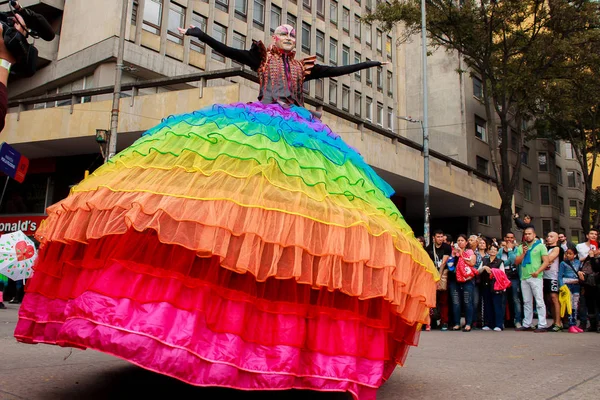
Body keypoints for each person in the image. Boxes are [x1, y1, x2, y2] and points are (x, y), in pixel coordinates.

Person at [13, 23, 437, 399]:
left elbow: (337, 73)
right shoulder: (259, 55)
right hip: (254, 127)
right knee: (229, 215)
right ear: (274, 40)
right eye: (283, 35)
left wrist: (367, 65)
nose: (287, 39)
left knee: (286, 225)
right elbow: (227, 50)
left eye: (292, 36)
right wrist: (197, 35)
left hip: (301, 137)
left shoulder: (305, 68)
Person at [514, 227, 550, 332]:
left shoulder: (540, 246)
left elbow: (546, 261)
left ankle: (542, 324)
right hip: (524, 277)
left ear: (534, 235)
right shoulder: (521, 247)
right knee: (527, 301)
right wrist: (524, 253)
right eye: (526, 234)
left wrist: (538, 271)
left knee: (539, 301)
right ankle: (527, 323)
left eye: (529, 234)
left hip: (536, 277)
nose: (527, 236)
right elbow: (516, 262)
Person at [426, 229, 452, 331]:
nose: (440, 239)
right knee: (432, 300)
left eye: (441, 237)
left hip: (443, 275)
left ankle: (444, 322)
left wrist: (438, 277)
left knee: (443, 300)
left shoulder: (447, 247)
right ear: (433, 238)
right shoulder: (428, 248)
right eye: (438, 237)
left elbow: (443, 263)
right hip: (431, 276)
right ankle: (432, 322)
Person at [451, 234, 477, 332]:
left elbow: (472, 263)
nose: (460, 242)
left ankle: (468, 323)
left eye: (462, 240)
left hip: (467, 280)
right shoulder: (453, 252)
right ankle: (457, 323)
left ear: (466, 242)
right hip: (455, 280)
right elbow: (449, 265)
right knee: (456, 302)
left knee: (467, 301)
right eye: (458, 240)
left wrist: (462, 254)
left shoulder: (470, 252)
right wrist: (453, 255)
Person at [478, 243, 506, 331]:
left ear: (497, 252)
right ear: (488, 251)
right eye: (491, 249)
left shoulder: (500, 261)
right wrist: (484, 268)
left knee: (497, 305)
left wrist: (494, 271)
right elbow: (478, 271)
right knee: (487, 305)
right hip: (486, 285)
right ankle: (488, 323)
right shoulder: (484, 260)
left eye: (495, 249)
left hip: (496, 286)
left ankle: (499, 324)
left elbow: (502, 275)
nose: (493, 251)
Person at [499, 232, 522, 328]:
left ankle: (517, 321)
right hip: (503, 278)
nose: (509, 239)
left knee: (516, 299)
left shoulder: (517, 249)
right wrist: (506, 261)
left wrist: (509, 250)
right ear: (504, 238)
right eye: (507, 237)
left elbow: (514, 261)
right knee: (503, 300)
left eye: (511, 237)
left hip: (514, 277)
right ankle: (502, 321)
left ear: (514, 238)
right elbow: (499, 263)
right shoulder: (500, 250)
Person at [558, 248, 584, 333]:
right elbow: (560, 276)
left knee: (575, 305)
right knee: (568, 305)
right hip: (567, 286)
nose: (568, 255)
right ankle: (570, 324)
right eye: (567, 253)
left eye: (570, 254)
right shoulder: (563, 263)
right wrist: (562, 286)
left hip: (576, 285)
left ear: (575, 255)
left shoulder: (578, 262)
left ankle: (574, 324)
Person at [544, 232, 563, 332]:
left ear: (556, 239)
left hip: (553, 276)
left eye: (551, 237)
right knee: (548, 299)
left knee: (554, 297)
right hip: (544, 276)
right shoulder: (545, 248)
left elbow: (549, 258)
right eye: (548, 236)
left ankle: (558, 323)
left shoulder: (557, 248)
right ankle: (554, 321)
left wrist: (545, 260)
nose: (549, 238)